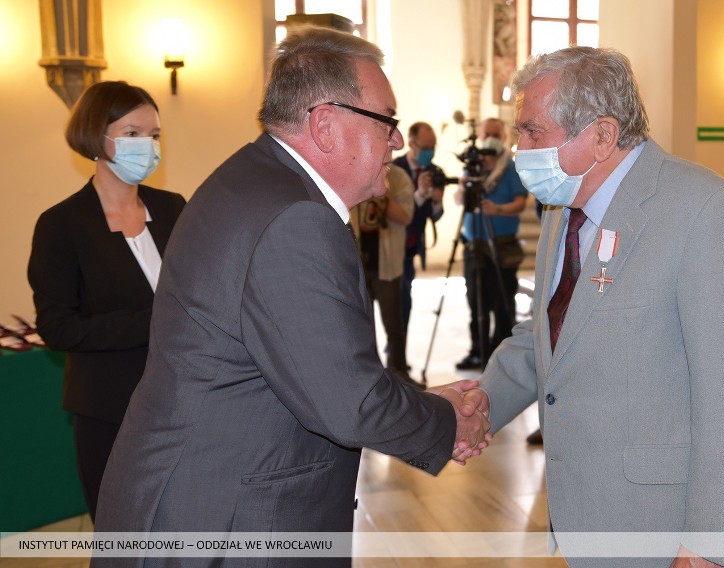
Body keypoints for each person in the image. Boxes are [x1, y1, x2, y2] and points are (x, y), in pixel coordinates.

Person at [93, 26, 489, 565]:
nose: (396, 142)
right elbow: (347, 403)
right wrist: (446, 424)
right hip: (224, 520)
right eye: (387, 121)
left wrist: (421, 404)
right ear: (325, 126)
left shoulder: (258, 181)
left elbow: (316, 367)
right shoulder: (295, 217)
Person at [460, 46, 724, 567]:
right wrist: (480, 406)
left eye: (532, 132)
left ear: (602, 135)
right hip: (594, 521)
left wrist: (707, 548)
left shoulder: (705, 211)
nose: (519, 149)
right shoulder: (561, 210)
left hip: (672, 533)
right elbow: (549, 333)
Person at [27, 81, 186, 521]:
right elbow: (58, 326)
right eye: (133, 134)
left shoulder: (173, 208)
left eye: (154, 136)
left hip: (183, 403)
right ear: (97, 137)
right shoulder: (62, 225)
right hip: (109, 410)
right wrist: (155, 322)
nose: (148, 146)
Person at [454, 117, 528, 371]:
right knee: (476, 301)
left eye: (497, 134)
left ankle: (502, 353)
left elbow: (520, 202)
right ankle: (478, 351)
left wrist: (497, 209)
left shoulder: (510, 168)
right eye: (488, 134)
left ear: (504, 138)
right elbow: (458, 199)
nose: (491, 139)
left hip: (502, 245)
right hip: (474, 244)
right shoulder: (473, 167)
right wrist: (463, 187)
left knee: (502, 301)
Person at [351, 163, 418, 386]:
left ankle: (399, 374)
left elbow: (405, 216)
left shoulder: (399, 178)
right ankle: (372, 381)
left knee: (393, 324)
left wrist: (378, 190)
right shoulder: (354, 170)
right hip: (358, 262)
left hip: (387, 264)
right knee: (362, 326)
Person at [392, 122, 445, 339]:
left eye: (433, 146)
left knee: (405, 298)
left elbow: (437, 215)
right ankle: (394, 347)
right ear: (412, 144)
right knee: (394, 299)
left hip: (413, 245)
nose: (429, 152)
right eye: (425, 147)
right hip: (392, 244)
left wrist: (436, 202)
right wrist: (421, 193)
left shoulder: (435, 171)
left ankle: (399, 348)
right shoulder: (395, 168)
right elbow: (398, 212)